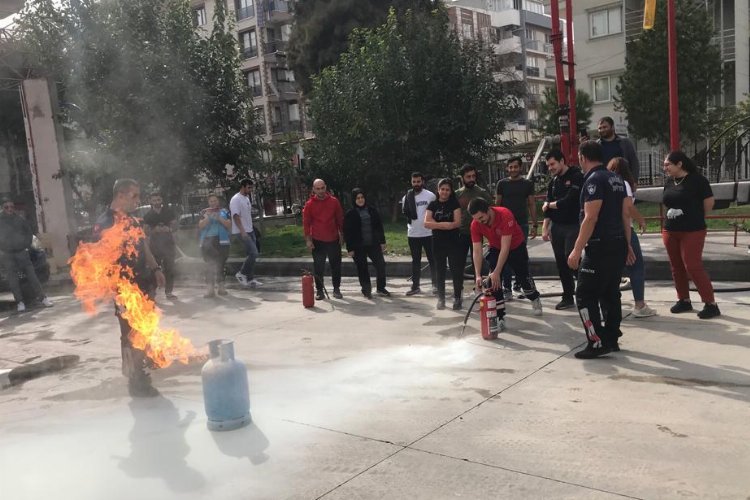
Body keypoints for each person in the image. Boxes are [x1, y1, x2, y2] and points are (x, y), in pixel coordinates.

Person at [92, 179, 166, 397]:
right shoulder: (105, 223)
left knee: (146, 328)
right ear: (121, 195)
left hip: (144, 283)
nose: (138, 200)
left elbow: (144, 245)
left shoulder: (133, 220)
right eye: (134, 196)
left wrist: (156, 269)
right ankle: (136, 380)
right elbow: (99, 259)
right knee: (130, 333)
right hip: (124, 288)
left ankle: (143, 362)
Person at [567, 141, 634, 359]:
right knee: (610, 292)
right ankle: (611, 338)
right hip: (616, 243)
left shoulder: (594, 180)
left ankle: (596, 342)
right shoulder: (617, 179)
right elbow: (626, 214)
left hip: (600, 245)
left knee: (584, 294)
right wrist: (628, 244)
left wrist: (576, 250)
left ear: (582, 157)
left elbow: (591, 217)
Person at [469, 198, 543, 332]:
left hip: (515, 246)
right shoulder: (475, 223)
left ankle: (534, 297)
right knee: (493, 283)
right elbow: (477, 250)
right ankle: (500, 317)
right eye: (476, 219)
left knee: (523, 278)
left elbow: (506, 248)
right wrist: (478, 275)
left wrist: (497, 271)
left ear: (488, 210)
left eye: (481, 217)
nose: (480, 221)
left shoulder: (505, 215)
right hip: (495, 247)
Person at [662, 151, 720, 319]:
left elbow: (709, 203)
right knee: (676, 267)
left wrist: (694, 216)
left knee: (692, 266)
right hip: (671, 230)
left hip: (693, 230)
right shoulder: (669, 182)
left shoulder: (698, 181)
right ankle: (684, 300)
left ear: (679, 164)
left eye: (668, 165)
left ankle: (711, 304)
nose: (665, 168)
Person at [607, 157, 657, 318]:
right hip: (624, 229)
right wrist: (640, 220)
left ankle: (609, 306)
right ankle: (639, 305)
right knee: (636, 266)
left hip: (609, 230)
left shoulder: (605, 183)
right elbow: (628, 207)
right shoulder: (624, 184)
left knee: (612, 269)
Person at [541, 150, 584, 310]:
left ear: (561, 161)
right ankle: (568, 296)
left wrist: (550, 205)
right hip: (557, 227)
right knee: (561, 263)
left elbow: (569, 200)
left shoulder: (576, 176)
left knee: (571, 259)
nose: (550, 168)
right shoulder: (553, 182)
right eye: (548, 166)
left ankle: (584, 293)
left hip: (573, 225)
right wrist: (545, 229)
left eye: (552, 164)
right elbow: (547, 207)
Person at [0, 198, 53, 312]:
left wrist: (26, 245)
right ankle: (20, 302)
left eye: (11, 207)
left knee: (32, 276)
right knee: (13, 280)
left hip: (21, 252)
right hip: (8, 255)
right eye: (6, 207)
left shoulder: (19, 219)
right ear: (2, 209)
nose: (9, 209)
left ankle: (43, 298)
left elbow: (29, 233)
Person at [495, 156, 537, 299]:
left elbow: (531, 204)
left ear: (521, 167)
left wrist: (535, 223)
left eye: (515, 167)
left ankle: (519, 284)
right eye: (510, 167)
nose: (513, 169)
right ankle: (506, 287)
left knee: (520, 256)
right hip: (504, 226)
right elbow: (497, 205)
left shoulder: (527, 184)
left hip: (522, 224)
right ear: (507, 168)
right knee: (504, 255)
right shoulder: (502, 184)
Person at [343, 188, 390, 299]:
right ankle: (366, 290)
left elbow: (379, 227)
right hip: (358, 246)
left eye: (362, 197)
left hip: (373, 244)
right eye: (358, 198)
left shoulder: (372, 210)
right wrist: (350, 249)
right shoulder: (350, 213)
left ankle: (381, 288)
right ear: (354, 200)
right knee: (362, 268)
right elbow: (347, 232)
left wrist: (382, 241)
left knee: (381, 265)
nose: (360, 200)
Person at [424, 178, 463, 310]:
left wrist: (436, 224)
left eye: (447, 189)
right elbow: (426, 223)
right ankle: (441, 298)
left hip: (453, 243)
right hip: (437, 243)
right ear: (438, 190)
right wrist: (444, 225)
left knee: (455, 271)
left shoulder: (454, 204)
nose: (444, 192)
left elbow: (457, 223)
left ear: (451, 191)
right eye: (442, 189)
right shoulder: (432, 205)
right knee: (439, 271)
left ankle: (457, 298)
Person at [303, 178, 345, 299]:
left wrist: (342, 234)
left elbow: (339, 219)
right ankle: (319, 290)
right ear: (313, 189)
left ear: (325, 187)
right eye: (318, 189)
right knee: (318, 267)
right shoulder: (309, 204)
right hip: (317, 240)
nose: (320, 191)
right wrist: (308, 240)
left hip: (333, 239)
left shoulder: (334, 201)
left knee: (336, 266)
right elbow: (306, 223)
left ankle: (336, 289)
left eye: (322, 188)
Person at [401, 172, 436, 296]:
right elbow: (405, 214)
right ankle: (415, 286)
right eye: (414, 182)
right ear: (411, 183)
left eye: (418, 181)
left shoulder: (430, 196)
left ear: (422, 182)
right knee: (415, 261)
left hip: (429, 233)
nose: (416, 184)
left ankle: (435, 285)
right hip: (413, 234)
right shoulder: (406, 197)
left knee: (433, 259)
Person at [455, 163, 492, 279]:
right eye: (468, 177)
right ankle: (458, 290)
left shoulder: (482, 193)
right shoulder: (457, 194)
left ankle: (481, 285)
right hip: (461, 233)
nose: (471, 179)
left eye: (473, 176)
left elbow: (491, 211)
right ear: (462, 178)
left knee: (479, 262)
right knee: (458, 262)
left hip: (477, 233)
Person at [143, 192, 178, 300]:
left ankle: (169, 292)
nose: (156, 202)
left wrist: (169, 229)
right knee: (154, 269)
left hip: (168, 244)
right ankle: (152, 293)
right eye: (154, 200)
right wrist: (154, 230)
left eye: (158, 200)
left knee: (170, 269)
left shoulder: (168, 212)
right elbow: (145, 231)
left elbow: (175, 224)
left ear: (161, 200)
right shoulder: (148, 215)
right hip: (155, 246)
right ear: (150, 202)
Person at [198, 194, 232, 298]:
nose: (213, 203)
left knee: (221, 265)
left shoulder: (225, 211)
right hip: (208, 241)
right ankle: (210, 290)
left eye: (215, 201)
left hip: (222, 241)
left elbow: (229, 225)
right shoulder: (204, 212)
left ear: (218, 202)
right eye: (211, 201)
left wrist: (219, 218)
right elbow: (200, 226)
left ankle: (221, 288)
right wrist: (208, 217)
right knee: (209, 265)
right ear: (209, 203)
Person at [230, 178, 262, 288]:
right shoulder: (236, 199)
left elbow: (246, 215)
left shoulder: (246, 198)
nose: (250, 189)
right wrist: (243, 231)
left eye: (251, 187)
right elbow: (235, 216)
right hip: (241, 231)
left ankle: (250, 279)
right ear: (243, 187)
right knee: (254, 253)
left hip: (250, 230)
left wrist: (252, 228)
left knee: (251, 255)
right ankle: (241, 273)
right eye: (249, 187)